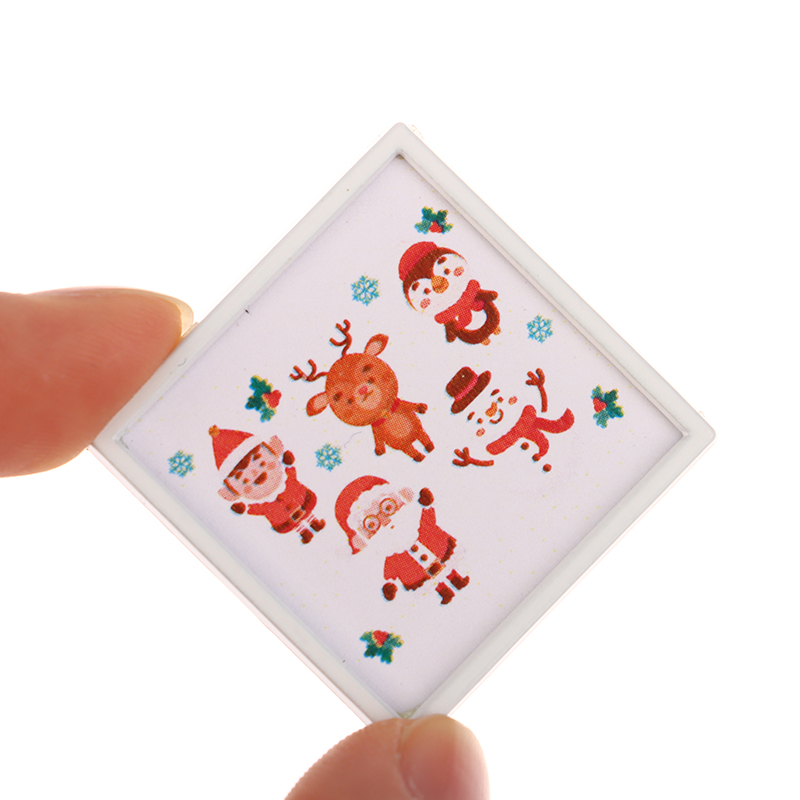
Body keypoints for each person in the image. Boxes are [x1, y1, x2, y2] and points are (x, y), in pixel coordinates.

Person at [0, 287, 490, 800]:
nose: (257, 474)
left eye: (256, 464)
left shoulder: (356, 496)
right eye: (247, 474)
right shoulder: (271, 497)